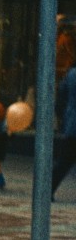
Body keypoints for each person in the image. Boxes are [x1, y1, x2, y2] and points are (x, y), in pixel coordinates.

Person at [53, 64, 76, 198]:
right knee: (65, 160)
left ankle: (48, 189)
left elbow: (61, 97)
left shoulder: (71, 74)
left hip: (72, 125)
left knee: (64, 161)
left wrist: (64, 116)